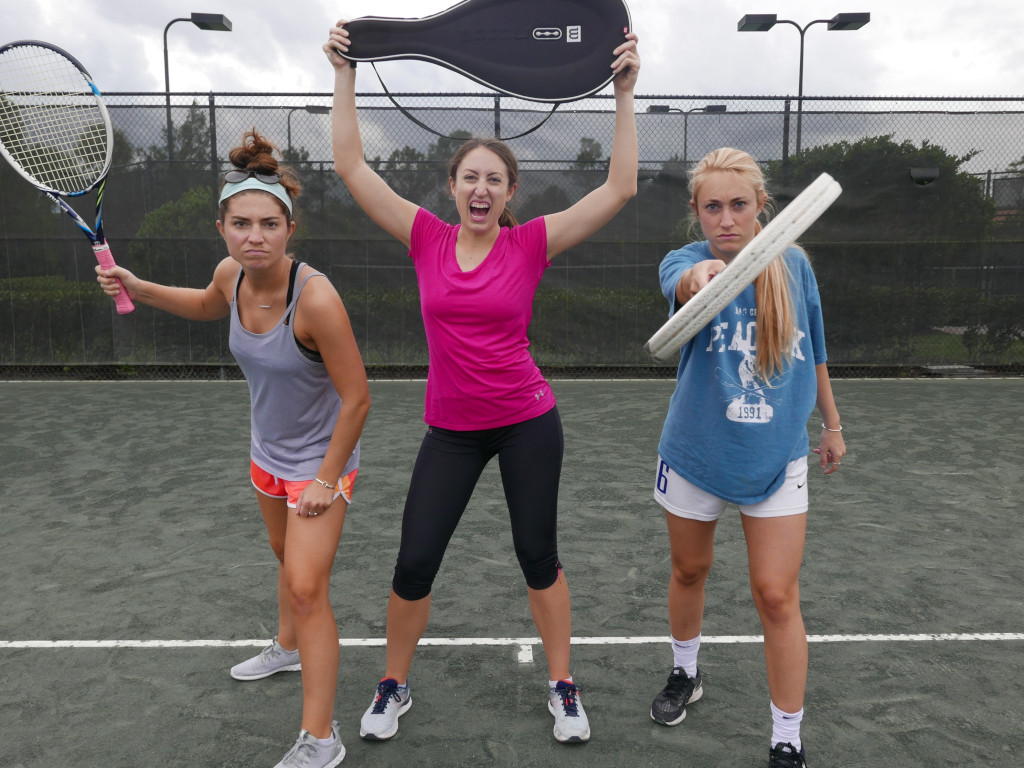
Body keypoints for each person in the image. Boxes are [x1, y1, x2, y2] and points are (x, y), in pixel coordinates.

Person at [322, 20, 639, 745]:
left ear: (508, 191)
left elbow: (620, 187)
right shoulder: (426, 237)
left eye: (495, 179)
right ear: (453, 184)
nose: (481, 188)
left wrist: (623, 94)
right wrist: (347, 73)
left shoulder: (530, 243)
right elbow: (351, 167)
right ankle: (393, 684)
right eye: (470, 176)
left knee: (538, 555)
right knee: (414, 560)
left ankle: (563, 686)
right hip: (451, 433)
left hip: (528, 421)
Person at [95, 129, 370, 768]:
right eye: (241, 223)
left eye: (268, 224)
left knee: (307, 587)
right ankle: (287, 645)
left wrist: (328, 480)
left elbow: (357, 399)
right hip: (266, 457)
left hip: (320, 466)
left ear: (289, 227)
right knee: (283, 557)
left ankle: (321, 740)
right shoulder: (231, 275)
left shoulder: (318, 299)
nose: (255, 236)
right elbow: (203, 302)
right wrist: (136, 283)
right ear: (222, 227)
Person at [648, 147, 846, 768]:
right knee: (689, 571)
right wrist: (702, 279)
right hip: (695, 452)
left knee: (776, 595)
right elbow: (680, 280)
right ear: (696, 212)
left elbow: (813, 353)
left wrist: (833, 425)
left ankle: (786, 735)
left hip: (777, 456)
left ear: (762, 205)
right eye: (713, 207)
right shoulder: (686, 260)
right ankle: (686, 672)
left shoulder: (794, 267)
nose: (726, 219)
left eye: (739, 204)